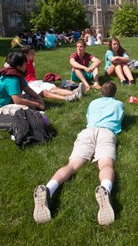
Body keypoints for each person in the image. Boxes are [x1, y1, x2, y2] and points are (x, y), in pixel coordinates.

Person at [33, 82, 124, 226]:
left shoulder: (93, 102)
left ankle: (49, 189)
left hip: (88, 132)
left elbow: (89, 118)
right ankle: (105, 189)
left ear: (102, 92)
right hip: (107, 133)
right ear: (115, 92)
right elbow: (120, 120)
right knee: (106, 164)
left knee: (72, 165)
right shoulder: (119, 104)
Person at [0, 52, 45, 116]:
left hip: (8, 102)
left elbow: (27, 89)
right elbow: (17, 100)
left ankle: (33, 110)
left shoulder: (17, 73)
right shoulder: (12, 78)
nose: (26, 66)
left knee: (32, 98)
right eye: (25, 64)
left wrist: (38, 97)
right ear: (18, 66)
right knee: (25, 109)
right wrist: (36, 104)